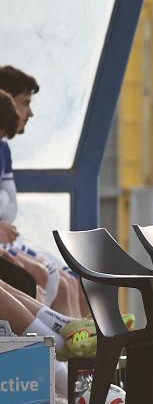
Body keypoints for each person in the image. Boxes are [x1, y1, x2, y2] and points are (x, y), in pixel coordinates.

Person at [0, 65, 85, 316]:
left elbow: (9, 207)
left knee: (77, 280)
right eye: (25, 103)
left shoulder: (4, 149)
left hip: (9, 237)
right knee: (50, 278)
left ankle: (86, 348)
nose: (31, 113)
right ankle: (63, 347)